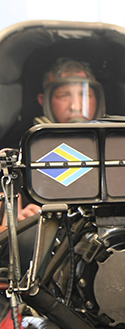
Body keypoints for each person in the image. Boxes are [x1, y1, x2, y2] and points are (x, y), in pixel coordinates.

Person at [4, 57, 106, 222]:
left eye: (86, 95)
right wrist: (15, 223)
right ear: (44, 100)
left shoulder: (118, 149)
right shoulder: (19, 154)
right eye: (64, 95)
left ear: (98, 99)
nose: (76, 106)